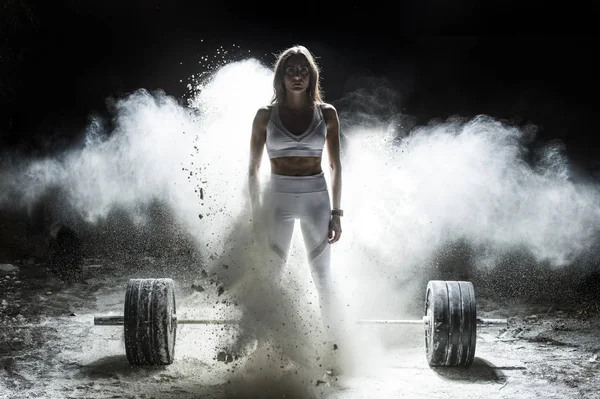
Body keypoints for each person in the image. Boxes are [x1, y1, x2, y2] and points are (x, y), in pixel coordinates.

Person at [247, 45, 345, 374]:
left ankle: (333, 353)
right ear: (281, 77)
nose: (298, 76)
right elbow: (252, 170)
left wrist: (337, 213)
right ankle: (263, 353)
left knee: (323, 280)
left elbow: (335, 165)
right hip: (277, 198)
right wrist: (256, 216)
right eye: (291, 70)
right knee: (270, 278)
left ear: (312, 75)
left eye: (304, 70)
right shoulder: (264, 114)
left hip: (317, 198)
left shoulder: (327, 113)